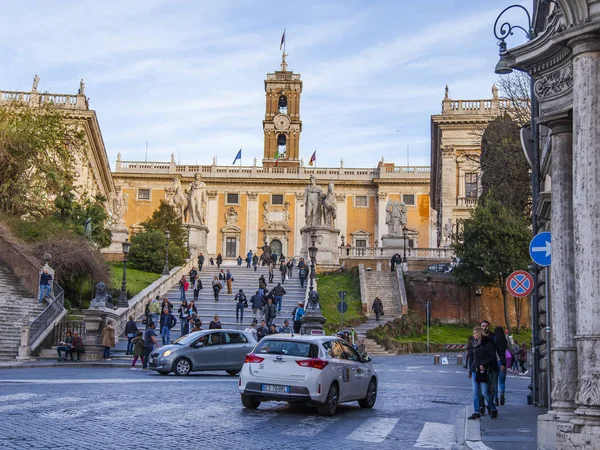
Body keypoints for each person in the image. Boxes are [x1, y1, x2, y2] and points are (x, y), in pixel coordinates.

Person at [467, 326, 498, 420]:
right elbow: (471, 357)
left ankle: (493, 408)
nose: (473, 335)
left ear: (479, 333)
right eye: (473, 333)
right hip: (475, 370)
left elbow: (493, 357)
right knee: (475, 392)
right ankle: (476, 412)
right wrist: (470, 369)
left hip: (483, 370)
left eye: (475, 333)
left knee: (484, 393)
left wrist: (484, 364)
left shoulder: (487, 343)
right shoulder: (474, 344)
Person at [494, 326, 509, 406]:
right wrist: (504, 363)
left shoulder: (494, 339)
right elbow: (506, 352)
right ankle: (502, 393)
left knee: (495, 382)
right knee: (502, 382)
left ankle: (496, 398)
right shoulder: (505, 341)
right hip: (502, 363)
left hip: (494, 362)